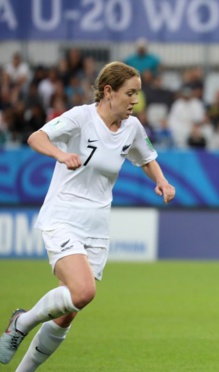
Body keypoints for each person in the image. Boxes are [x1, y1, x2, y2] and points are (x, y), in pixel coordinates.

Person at [0, 61, 176, 371]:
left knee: (69, 311)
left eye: (138, 94)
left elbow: (146, 158)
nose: (135, 100)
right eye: (130, 93)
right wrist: (60, 154)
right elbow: (36, 138)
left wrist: (161, 181)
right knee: (83, 292)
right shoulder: (81, 117)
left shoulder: (132, 127)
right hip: (63, 216)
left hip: (97, 226)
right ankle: (21, 323)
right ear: (108, 92)